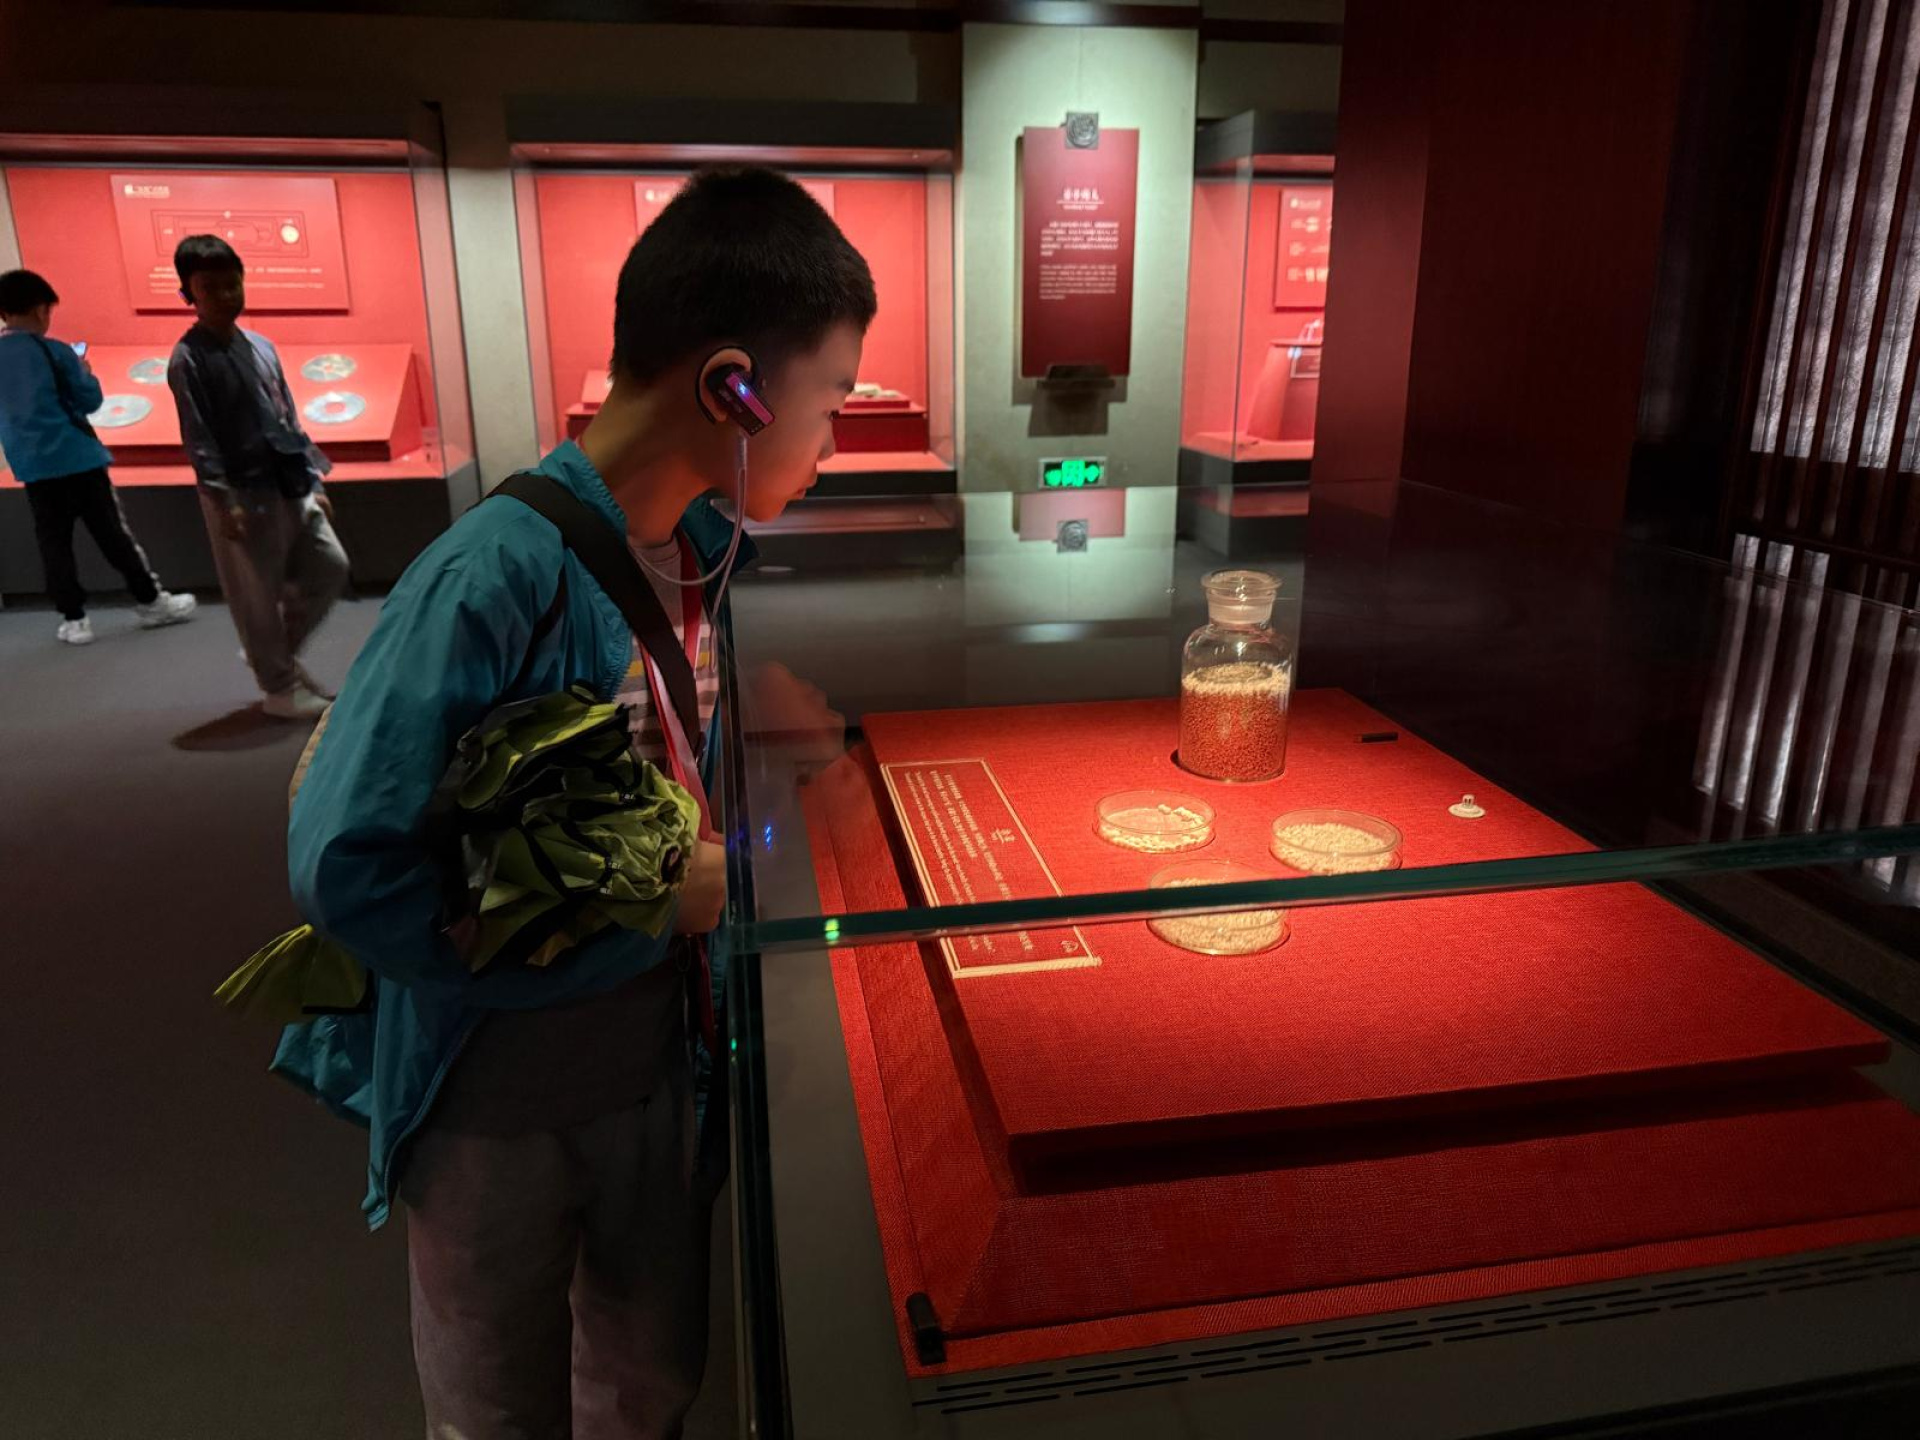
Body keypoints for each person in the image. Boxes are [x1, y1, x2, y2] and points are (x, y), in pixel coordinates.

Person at [282, 167, 873, 1439]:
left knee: (650, 1379)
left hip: (657, 1065)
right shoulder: (491, 574)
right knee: (496, 1404)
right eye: (829, 402)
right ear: (734, 389)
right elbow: (350, 862)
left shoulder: (700, 547)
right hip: (496, 1101)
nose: (833, 446)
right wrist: (647, 909)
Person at [167, 234, 349, 721]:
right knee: (256, 593)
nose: (226, 296)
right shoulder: (189, 359)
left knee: (330, 566)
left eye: (233, 284)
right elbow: (199, 436)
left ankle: (272, 656)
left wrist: (313, 478)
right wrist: (224, 501)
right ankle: (278, 687)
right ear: (188, 292)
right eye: (210, 288)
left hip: (288, 479)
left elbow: (287, 415)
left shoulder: (261, 346)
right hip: (242, 491)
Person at [0, 268, 197, 645]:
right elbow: (89, 400)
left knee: (53, 543)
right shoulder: (54, 351)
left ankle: (74, 619)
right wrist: (86, 373)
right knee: (112, 534)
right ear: (41, 309)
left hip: (32, 467)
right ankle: (150, 601)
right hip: (79, 459)